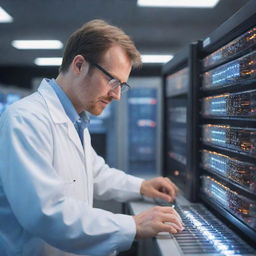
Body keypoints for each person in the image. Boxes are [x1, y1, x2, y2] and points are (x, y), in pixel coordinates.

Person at [0, 20, 183, 256]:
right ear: (79, 65)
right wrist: (132, 225)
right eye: (112, 81)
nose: (117, 95)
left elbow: (96, 174)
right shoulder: (26, 120)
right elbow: (44, 213)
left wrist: (142, 186)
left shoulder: (76, 120)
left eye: (122, 85)